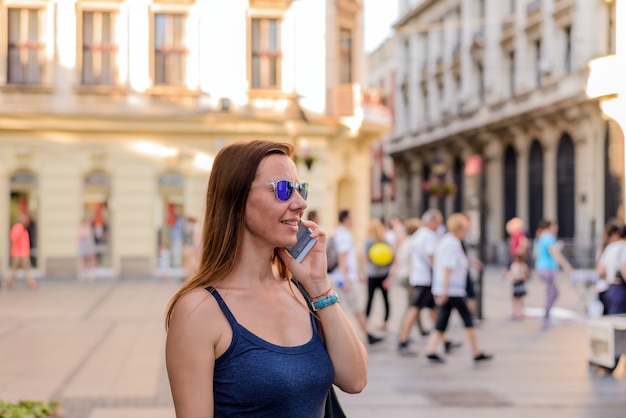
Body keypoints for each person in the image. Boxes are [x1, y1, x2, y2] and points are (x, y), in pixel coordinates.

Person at [165, 140, 367, 417]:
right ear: (235, 200)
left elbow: (355, 379)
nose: (300, 203)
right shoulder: (199, 311)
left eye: (300, 188)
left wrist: (320, 287)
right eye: (282, 190)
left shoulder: (301, 291)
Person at [425, 213, 492, 363]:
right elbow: (447, 268)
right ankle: (476, 352)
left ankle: (431, 350)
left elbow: (458, 261)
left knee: (441, 322)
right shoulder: (451, 243)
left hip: (449, 289)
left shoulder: (449, 241)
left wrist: (473, 262)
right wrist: (444, 291)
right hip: (452, 290)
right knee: (467, 320)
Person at [397, 209, 459, 356]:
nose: (440, 225)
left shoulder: (419, 234)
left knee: (432, 309)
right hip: (425, 279)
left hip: (420, 277)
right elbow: (432, 258)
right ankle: (403, 339)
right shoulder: (428, 236)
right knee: (415, 308)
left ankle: (445, 340)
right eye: (438, 221)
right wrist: (440, 276)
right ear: (431, 222)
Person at [330, 209, 383, 345]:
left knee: (349, 308)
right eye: (352, 217)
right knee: (354, 307)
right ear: (346, 218)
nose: (354, 220)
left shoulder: (339, 233)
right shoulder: (344, 235)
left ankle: (366, 333)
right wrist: (346, 279)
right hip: (344, 279)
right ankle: (362, 335)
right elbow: (342, 258)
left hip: (342, 277)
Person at [534, 219, 573, 328]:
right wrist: (567, 267)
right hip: (547, 268)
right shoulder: (548, 238)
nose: (557, 228)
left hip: (541, 267)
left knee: (552, 292)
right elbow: (556, 253)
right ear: (550, 226)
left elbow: (536, 253)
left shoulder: (541, 237)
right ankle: (546, 317)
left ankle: (546, 315)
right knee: (552, 293)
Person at [363, 218, 393, 331]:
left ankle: (365, 322)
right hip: (384, 274)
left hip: (372, 274)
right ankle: (385, 322)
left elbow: (366, 259)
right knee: (385, 299)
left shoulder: (368, 242)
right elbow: (391, 258)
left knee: (370, 299)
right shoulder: (385, 241)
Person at [5, 214, 38, 290]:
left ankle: (30, 281)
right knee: (15, 268)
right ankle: (9, 281)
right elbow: (14, 238)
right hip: (18, 253)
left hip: (23, 252)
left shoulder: (23, 228)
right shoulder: (19, 227)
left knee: (25, 268)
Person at [508, 254, 529, 320]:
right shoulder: (515, 265)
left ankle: (519, 311)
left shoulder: (523, 266)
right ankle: (515, 311)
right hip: (516, 282)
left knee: (519, 298)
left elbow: (525, 276)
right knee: (516, 298)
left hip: (519, 283)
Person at [77, 216, 96, 282]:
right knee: (82, 261)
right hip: (83, 245)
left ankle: (90, 275)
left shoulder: (89, 228)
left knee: (89, 260)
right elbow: (80, 236)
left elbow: (91, 238)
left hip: (88, 246)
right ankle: (82, 275)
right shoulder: (82, 228)